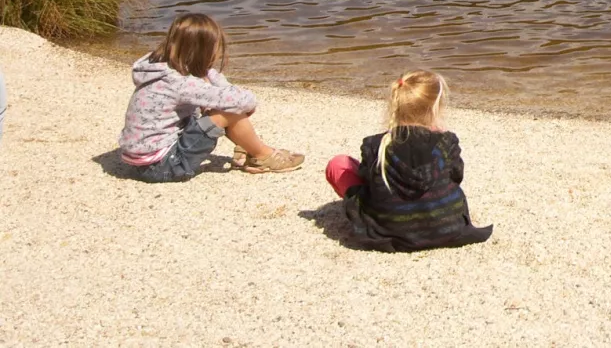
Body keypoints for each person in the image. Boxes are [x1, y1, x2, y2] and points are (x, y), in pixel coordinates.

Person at [119, 13, 304, 181]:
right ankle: (263, 156)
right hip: (162, 165)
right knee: (227, 112)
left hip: (140, 160)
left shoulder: (161, 68)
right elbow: (244, 101)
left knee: (220, 105)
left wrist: (209, 76)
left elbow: (219, 89)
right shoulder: (181, 83)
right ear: (204, 51)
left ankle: (247, 149)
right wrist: (241, 103)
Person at [325, 70, 493, 252]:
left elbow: (368, 180)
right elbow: (456, 175)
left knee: (339, 164)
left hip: (388, 231)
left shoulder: (375, 145)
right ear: (436, 107)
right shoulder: (447, 142)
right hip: (448, 229)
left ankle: (398, 211)